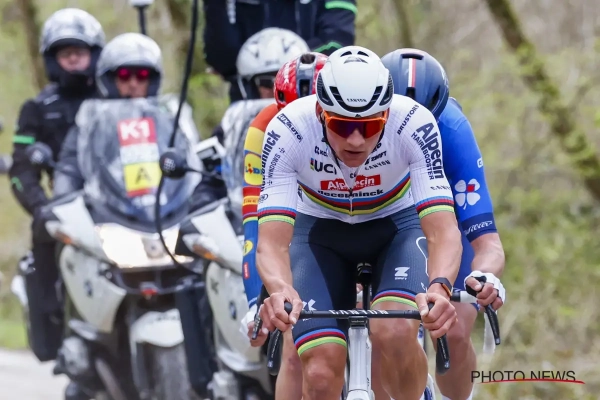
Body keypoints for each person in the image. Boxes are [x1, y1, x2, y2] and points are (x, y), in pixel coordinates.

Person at [256, 45, 461, 400]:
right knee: (319, 372)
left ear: (387, 113)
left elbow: (443, 230)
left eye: (369, 126)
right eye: (342, 125)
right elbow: (272, 242)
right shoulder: (289, 129)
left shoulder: (413, 123)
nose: (356, 139)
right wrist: (279, 289)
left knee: (396, 331)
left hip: (396, 226)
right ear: (320, 112)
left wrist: (440, 288)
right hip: (318, 232)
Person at [381, 48, 506, 400]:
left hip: (443, 226)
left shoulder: (453, 131)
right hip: (387, 227)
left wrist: (484, 277)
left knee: (453, 330)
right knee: (384, 329)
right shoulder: (358, 130)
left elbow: (488, 243)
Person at [7, 8, 104, 400]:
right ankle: (58, 326)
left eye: (80, 51)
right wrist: (42, 208)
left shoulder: (115, 97)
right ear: (53, 59)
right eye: (66, 53)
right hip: (67, 211)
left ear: (95, 54)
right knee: (42, 232)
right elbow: (21, 170)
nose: (74, 59)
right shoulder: (37, 108)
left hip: (121, 204)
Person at [238, 52, 328, 399]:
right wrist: (254, 301)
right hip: (296, 227)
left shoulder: (354, 125)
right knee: (294, 350)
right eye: (289, 117)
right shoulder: (262, 129)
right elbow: (254, 223)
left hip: (350, 218)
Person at [193, 28, 310, 212]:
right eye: (266, 82)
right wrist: (203, 200)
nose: (278, 88)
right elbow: (213, 177)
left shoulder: (320, 123)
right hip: (248, 214)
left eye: (287, 81)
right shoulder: (232, 127)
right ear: (249, 86)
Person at [53, 32, 165, 195]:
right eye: (124, 75)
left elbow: (188, 158)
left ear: (153, 80)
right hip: (109, 205)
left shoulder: (168, 117)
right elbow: (70, 166)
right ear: (111, 80)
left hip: (166, 203)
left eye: (142, 75)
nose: (133, 84)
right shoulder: (92, 121)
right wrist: (63, 193)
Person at [203, 0, 357, 103]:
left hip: (309, 101)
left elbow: (336, 43)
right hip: (247, 104)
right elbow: (220, 57)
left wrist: (283, 70)